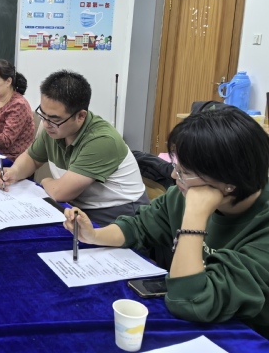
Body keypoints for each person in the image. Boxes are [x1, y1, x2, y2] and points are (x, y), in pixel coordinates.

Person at [63, 107, 269, 336]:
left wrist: (194, 216)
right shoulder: (182, 196)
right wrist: (94, 235)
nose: (173, 176)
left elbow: (190, 301)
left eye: (184, 172)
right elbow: (138, 227)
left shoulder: (260, 227)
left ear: (229, 182)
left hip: (247, 336)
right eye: (176, 167)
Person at [0, 70, 147, 226]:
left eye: (54, 119)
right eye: (43, 115)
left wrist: (45, 181)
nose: (46, 124)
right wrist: (13, 173)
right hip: (77, 207)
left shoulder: (101, 140)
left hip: (117, 214)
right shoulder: (55, 128)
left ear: (81, 116)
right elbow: (32, 159)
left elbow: (60, 192)